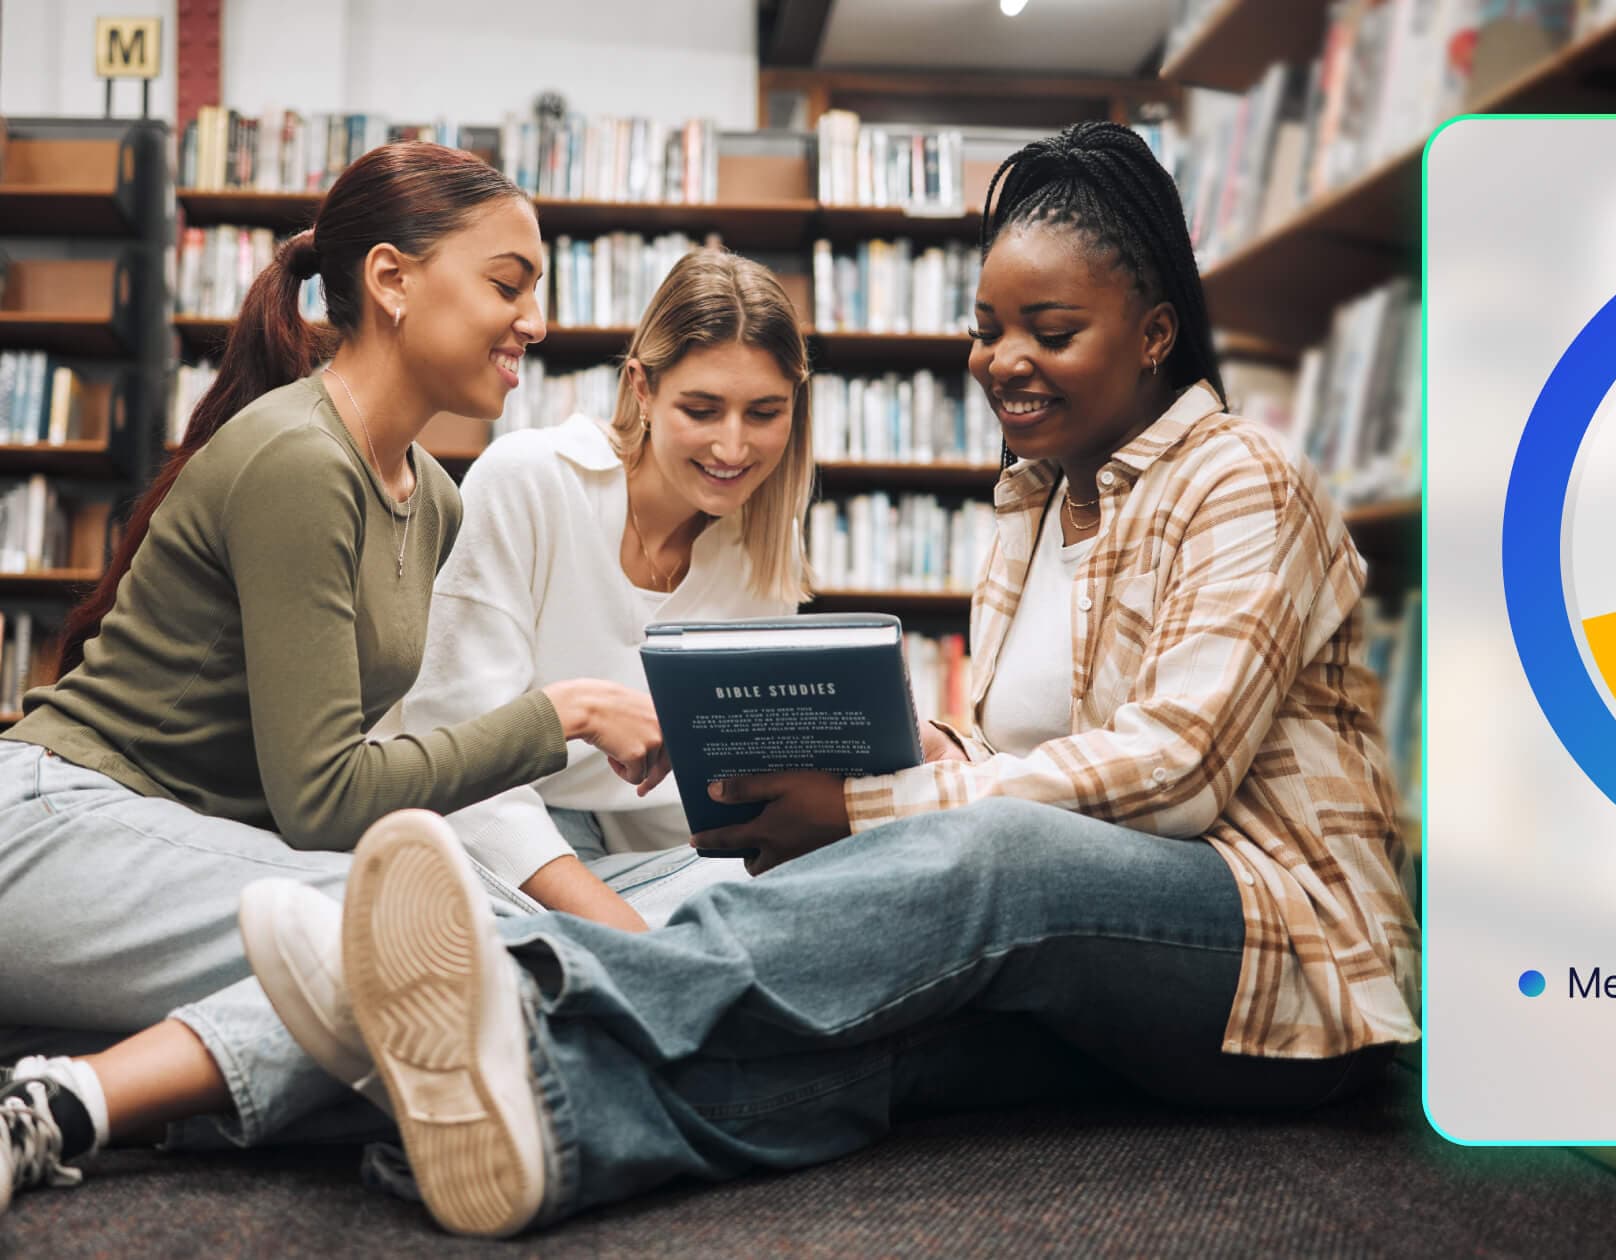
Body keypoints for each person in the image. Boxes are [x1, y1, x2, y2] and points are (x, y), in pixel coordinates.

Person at [241, 119, 1421, 1238]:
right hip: (1110, 965)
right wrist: (925, 751)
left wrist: (868, 806)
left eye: (1051, 330)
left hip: (1285, 958)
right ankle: (532, 1128)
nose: (1004, 361)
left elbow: (1172, 773)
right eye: (987, 327)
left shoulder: (1240, 480)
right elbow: (1037, 761)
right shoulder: (1032, 504)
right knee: (867, 1035)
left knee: (988, 856)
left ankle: (525, 995)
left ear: (1155, 334)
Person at [0, 142, 664, 1209]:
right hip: (53, 825)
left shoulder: (432, 498)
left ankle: (101, 1084)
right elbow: (323, 797)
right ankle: (62, 1103)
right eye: (509, 284)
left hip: (184, 853)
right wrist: (566, 713)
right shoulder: (301, 461)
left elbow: (354, 776)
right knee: (429, 938)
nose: (534, 321)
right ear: (392, 280)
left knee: (481, 963)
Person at [384, 247, 814, 934]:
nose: (733, 448)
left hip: (650, 859)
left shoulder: (767, 547)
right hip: (490, 836)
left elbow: (708, 798)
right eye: (701, 410)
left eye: (764, 413)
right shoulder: (530, 480)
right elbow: (458, 757)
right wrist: (633, 937)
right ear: (642, 388)